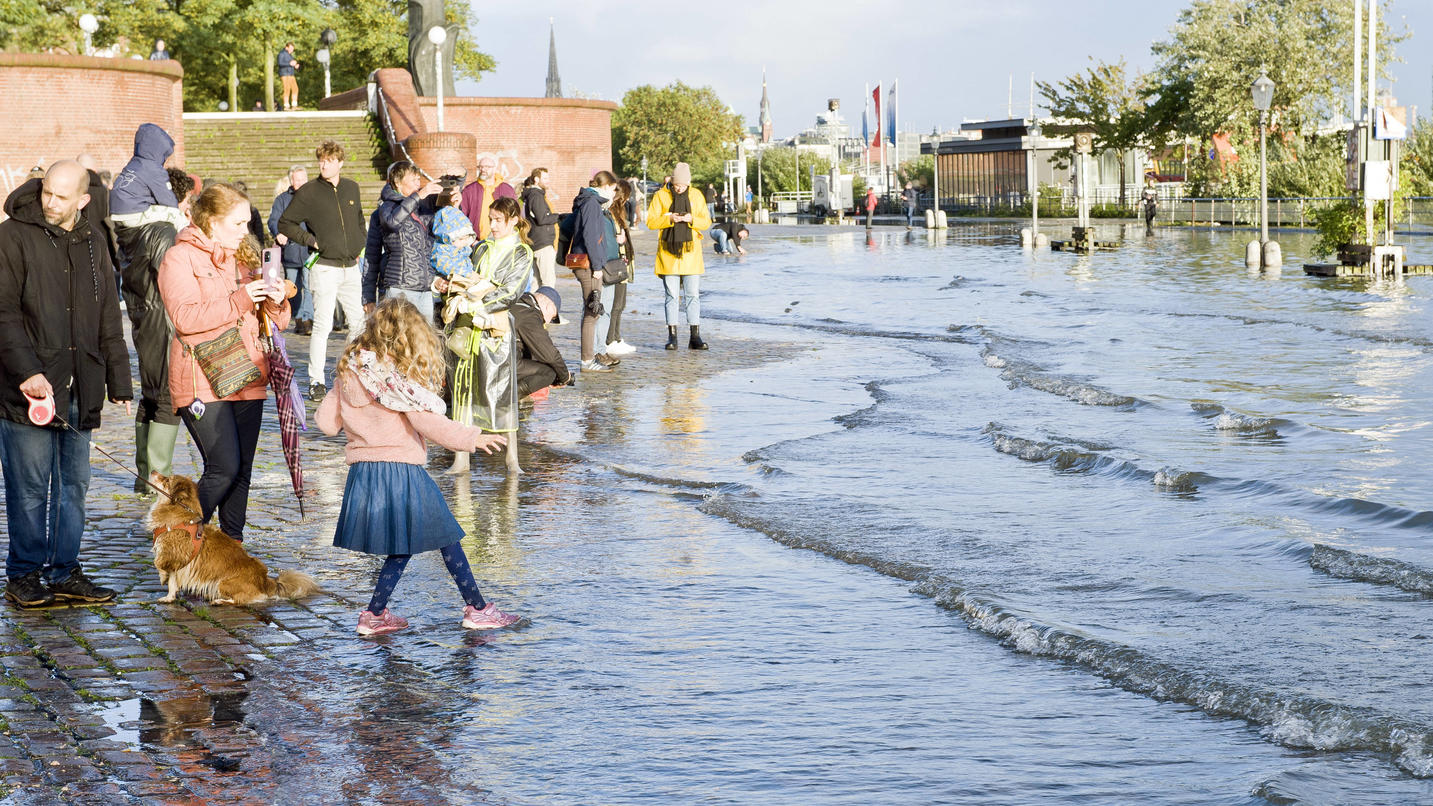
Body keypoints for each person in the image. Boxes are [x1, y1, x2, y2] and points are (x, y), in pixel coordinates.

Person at [315, 298, 518, 637]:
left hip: (364, 473)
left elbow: (325, 424)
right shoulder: (393, 380)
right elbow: (428, 422)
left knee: (404, 544)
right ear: (406, 336)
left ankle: (375, 615)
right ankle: (479, 609)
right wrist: (473, 438)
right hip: (401, 470)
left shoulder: (350, 371)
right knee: (448, 536)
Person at [0, 161, 133, 607]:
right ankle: (23, 573)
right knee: (30, 487)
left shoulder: (95, 241)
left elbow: (109, 316)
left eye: (61, 196)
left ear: (83, 200)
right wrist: (27, 372)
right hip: (27, 389)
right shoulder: (11, 237)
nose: (51, 203)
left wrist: (119, 379)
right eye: (46, 193)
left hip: (82, 384)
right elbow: (3, 314)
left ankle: (64, 569)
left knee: (74, 484)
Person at [159, 183, 290, 540]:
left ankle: (232, 549)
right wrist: (241, 299)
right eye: (237, 223)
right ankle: (178, 537)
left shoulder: (244, 256)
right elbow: (185, 317)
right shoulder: (179, 257)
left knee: (243, 470)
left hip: (248, 374)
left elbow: (275, 323)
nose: (245, 231)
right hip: (202, 377)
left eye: (247, 222)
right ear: (211, 222)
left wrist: (275, 300)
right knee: (223, 467)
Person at [440, 196, 530, 474]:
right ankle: (460, 459)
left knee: (500, 392)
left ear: (513, 220)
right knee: (463, 390)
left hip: (495, 330)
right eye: (490, 219)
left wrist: (479, 302)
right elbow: (466, 274)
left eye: (498, 220)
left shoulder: (522, 253)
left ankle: (512, 459)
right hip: (468, 327)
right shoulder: (481, 249)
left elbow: (512, 291)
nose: (492, 225)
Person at [116, 167, 190, 494]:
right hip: (164, 320)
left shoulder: (138, 228)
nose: (188, 209)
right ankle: (158, 479)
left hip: (147, 318)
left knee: (152, 392)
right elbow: (171, 278)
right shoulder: (162, 231)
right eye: (186, 203)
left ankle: (146, 476)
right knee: (166, 396)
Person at [278, 139, 368, 401]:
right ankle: (316, 380)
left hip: (351, 267)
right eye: (321, 160)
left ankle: (354, 374)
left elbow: (360, 220)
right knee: (323, 326)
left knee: (359, 325)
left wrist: (359, 241)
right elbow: (286, 223)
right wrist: (311, 241)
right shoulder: (309, 191)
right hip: (325, 268)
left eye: (329, 160)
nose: (323, 164)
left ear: (340, 162)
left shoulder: (352, 187)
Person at [364, 161, 441, 320]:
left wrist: (454, 200)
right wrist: (368, 296)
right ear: (398, 184)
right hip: (401, 288)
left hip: (425, 288)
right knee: (399, 339)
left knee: (424, 341)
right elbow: (372, 254)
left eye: (419, 180)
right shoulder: (386, 207)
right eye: (413, 180)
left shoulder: (422, 209)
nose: (418, 184)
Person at [646, 162, 711, 351]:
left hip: (691, 252)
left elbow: (706, 221)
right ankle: (672, 336)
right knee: (671, 296)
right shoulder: (660, 196)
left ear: (688, 183)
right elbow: (650, 221)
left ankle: (695, 336)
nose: (679, 188)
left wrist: (692, 219)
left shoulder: (696, 195)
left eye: (682, 185)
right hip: (668, 252)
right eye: (676, 185)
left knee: (693, 295)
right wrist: (669, 219)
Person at [567, 171, 625, 371]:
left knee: (592, 311)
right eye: (612, 188)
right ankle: (587, 360)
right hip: (590, 265)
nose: (613, 192)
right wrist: (598, 266)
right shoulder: (592, 203)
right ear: (606, 186)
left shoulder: (589, 201)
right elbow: (592, 237)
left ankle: (588, 358)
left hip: (589, 263)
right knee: (592, 313)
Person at [109, 123, 187, 233]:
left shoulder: (134, 163)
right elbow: (167, 199)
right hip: (134, 212)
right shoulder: (153, 168)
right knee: (176, 214)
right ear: (159, 150)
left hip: (117, 211)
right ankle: (188, 240)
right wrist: (175, 208)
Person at [269, 166, 313, 335]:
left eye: (303, 179)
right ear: (291, 181)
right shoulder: (282, 200)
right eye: (297, 179)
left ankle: (306, 319)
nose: (300, 182)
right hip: (291, 251)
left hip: (309, 251)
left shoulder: (313, 198)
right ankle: (296, 316)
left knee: (309, 286)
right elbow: (273, 220)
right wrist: (278, 233)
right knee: (292, 287)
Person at [511, 286, 569, 397]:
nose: (547, 322)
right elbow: (550, 355)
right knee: (548, 373)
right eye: (552, 318)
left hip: (492, 356)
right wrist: (565, 377)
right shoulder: (529, 316)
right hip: (502, 363)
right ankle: (509, 397)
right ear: (548, 307)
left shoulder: (518, 303)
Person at [604, 180, 636, 356]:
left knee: (621, 303)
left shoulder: (618, 212)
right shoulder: (611, 212)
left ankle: (616, 337)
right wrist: (619, 240)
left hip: (622, 261)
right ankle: (610, 339)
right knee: (616, 304)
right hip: (616, 262)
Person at [430, 182, 478, 287]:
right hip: (446, 286)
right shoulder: (441, 250)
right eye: (460, 239)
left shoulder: (463, 249)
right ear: (448, 238)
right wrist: (467, 273)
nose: (464, 243)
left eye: (466, 239)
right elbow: (447, 266)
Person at [459, 156, 516, 241]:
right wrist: (471, 240)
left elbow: (514, 213)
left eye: (487, 167)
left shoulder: (506, 189)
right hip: (477, 241)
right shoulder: (469, 190)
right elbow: (462, 216)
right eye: (480, 167)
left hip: (503, 240)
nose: (483, 169)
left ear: (494, 168)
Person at [521, 167, 561, 289]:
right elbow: (542, 219)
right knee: (548, 282)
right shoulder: (536, 195)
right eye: (545, 178)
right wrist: (559, 217)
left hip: (536, 243)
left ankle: (534, 307)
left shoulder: (533, 195)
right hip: (542, 244)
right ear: (536, 179)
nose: (548, 181)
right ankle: (548, 306)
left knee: (536, 282)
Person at [277, 42, 300, 111]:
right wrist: (290, 64)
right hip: (284, 74)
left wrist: (295, 66)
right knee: (287, 89)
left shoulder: (290, 55)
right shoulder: (281, 54)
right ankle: (286, 106)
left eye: (293, 49)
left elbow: (291, 64)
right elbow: (280, 63)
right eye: (291, 48)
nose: (292, 50)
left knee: (295, 88)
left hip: (291, 74)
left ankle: (294, 105)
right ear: (286, 47)